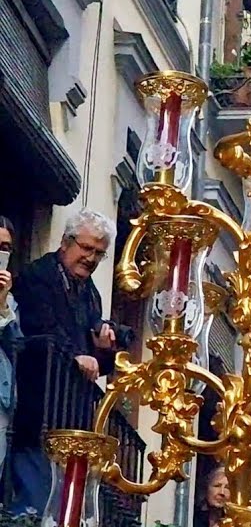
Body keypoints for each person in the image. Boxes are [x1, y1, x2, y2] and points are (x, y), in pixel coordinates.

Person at [10, 208, 119, 513]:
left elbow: (96, 362)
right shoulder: (38, 276)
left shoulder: (90, 292)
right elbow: (38, 328)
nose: (91, 258)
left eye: (99, 253)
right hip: (36, 410)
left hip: (71, 414)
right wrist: (76, 355)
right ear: (65, 242)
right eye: (86, 248)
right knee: (34, 503)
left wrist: (103, 347)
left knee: (62, 508)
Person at [0, 217, 22, 474]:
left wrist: (3, 303)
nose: (1, 253)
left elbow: (17, 345)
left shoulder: (10, 301)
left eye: (6, 248)